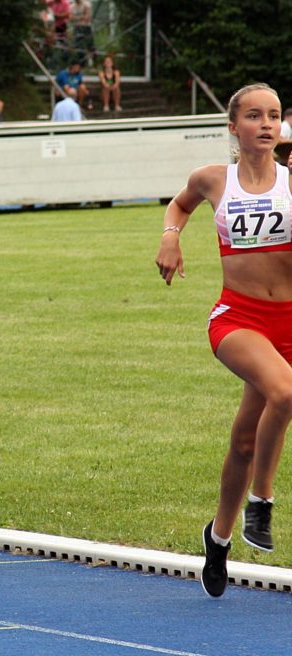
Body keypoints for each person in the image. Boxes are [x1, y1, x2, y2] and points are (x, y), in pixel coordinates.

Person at [156, 83, 292, 598]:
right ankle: (262, 503)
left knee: (242, 440)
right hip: (239, 318)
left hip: (290, 321)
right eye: (254, 115)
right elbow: (179, 205)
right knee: (286, 392)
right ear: (233, 126)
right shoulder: (214, 179)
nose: (264, 123)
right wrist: (171, 236)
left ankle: (217, 536)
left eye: (274, 115)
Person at [71, 0, 95, 66]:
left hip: (86, 27)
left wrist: (76, 18)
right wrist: (81, 16)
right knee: (78, 46)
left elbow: (88, 17)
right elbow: (70, 18)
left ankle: (91, 60)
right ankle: (82, 63)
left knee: (90, 45)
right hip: (77, 28)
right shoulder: (72, 6)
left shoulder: (86, 4)